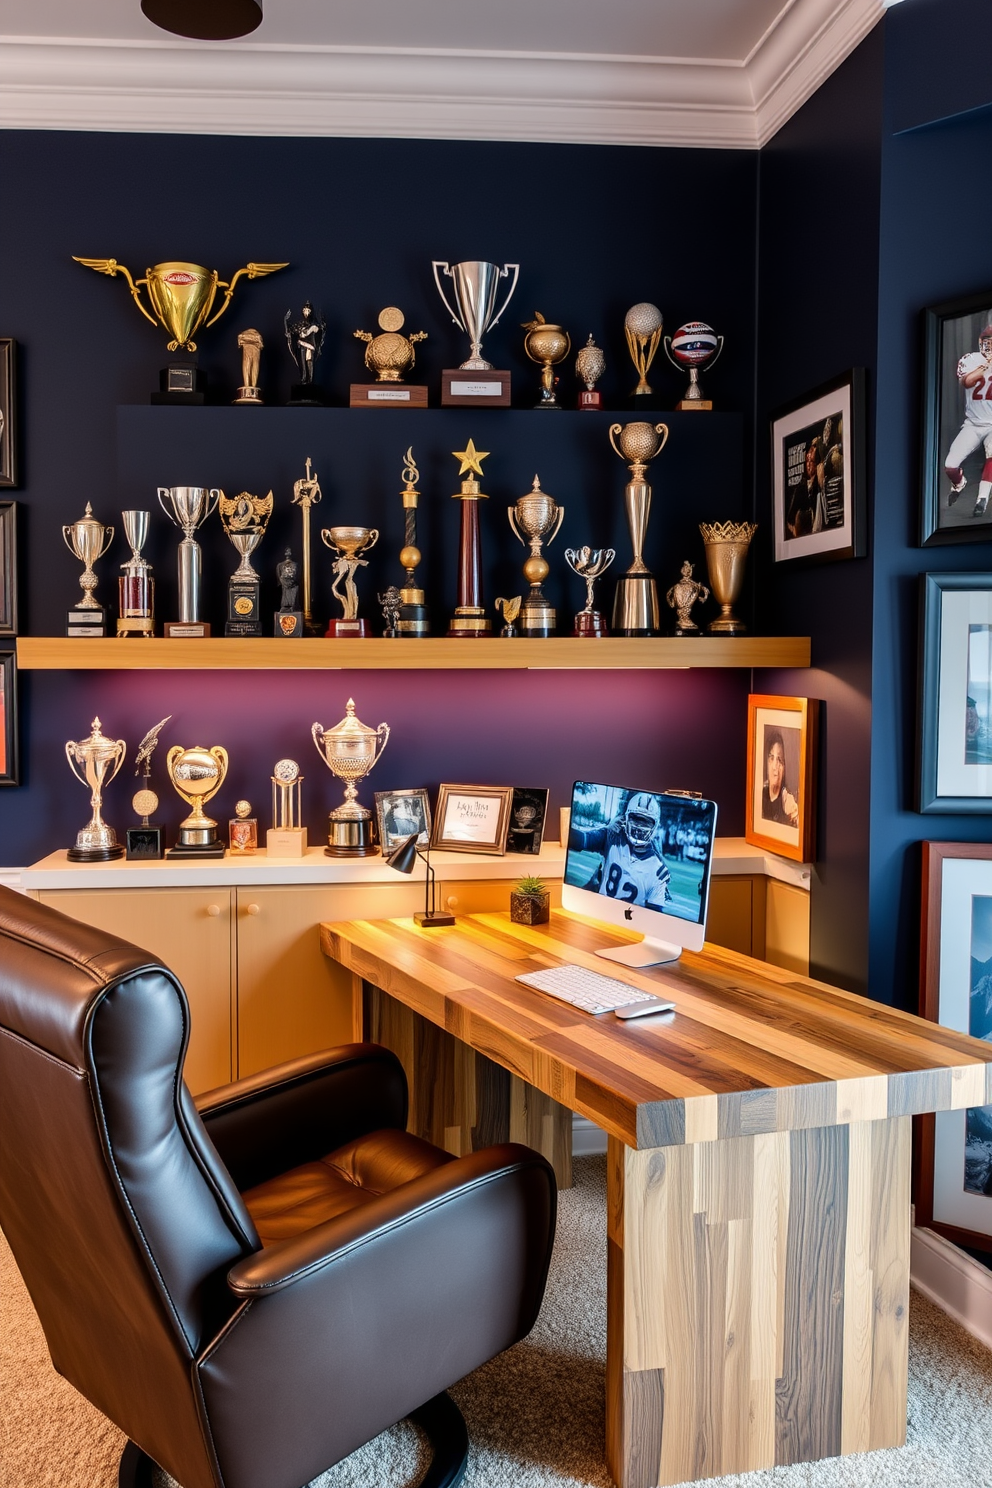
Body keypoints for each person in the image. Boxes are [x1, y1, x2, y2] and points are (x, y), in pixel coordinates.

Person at [569, 792, 671, 908]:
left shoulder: (658, 870)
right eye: (636, 818)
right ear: (625, 818)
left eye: (646, 821)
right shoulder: (612, 836)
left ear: (655, 825)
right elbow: (580, 840)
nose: (639, 826)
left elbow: (655, 913)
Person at [944, 324, 992, 518]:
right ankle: (959, 483)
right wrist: (985, 366)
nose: (989, 346)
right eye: (986, 342)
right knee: (950, 465)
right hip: (973, 423)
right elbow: (967, 382)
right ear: (980, 342)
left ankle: (982, 499)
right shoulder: (970, 359)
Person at [761, 730, 799, 827]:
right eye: (771, 758)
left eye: (779, 760)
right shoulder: (760, 793)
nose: (775, 767)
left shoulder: (787, 800)